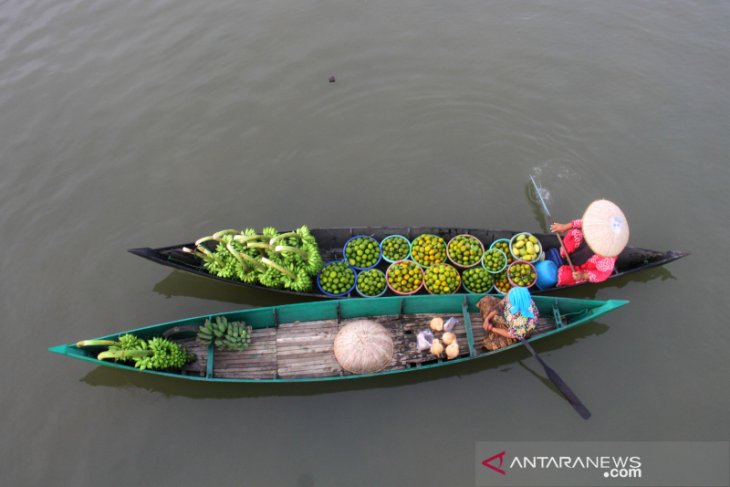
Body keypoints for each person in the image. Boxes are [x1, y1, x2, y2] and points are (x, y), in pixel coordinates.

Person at [549, 219, 617, 286]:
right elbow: (583, 222)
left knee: (567, 277)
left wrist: (583, 275)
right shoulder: (597, 225)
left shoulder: (608, 258)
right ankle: (563, 254)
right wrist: (564, 227)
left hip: (581, 268)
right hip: (580, 247)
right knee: (575, 233)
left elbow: (602, 275)